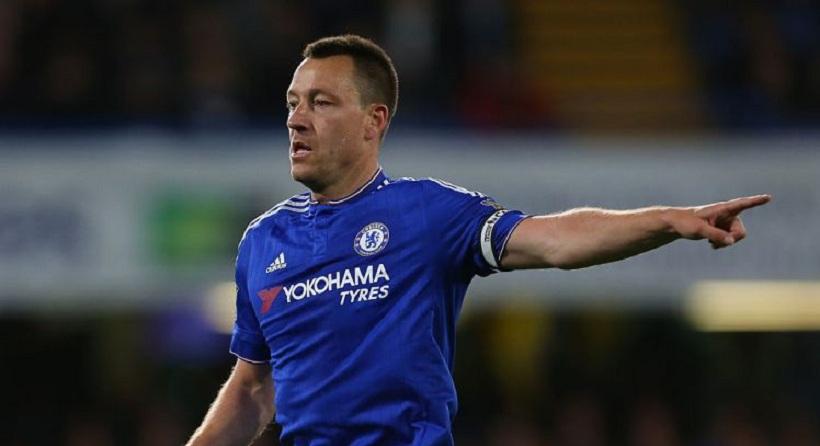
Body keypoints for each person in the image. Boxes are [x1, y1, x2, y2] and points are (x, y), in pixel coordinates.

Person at [186, 34, 770, 446]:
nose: (296, 118)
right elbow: (253, 388)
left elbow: (554, 240)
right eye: (293, 103)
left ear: (373, 122)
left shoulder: (425, 213)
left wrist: (666, 221)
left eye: (320, 102)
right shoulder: (262, 241)